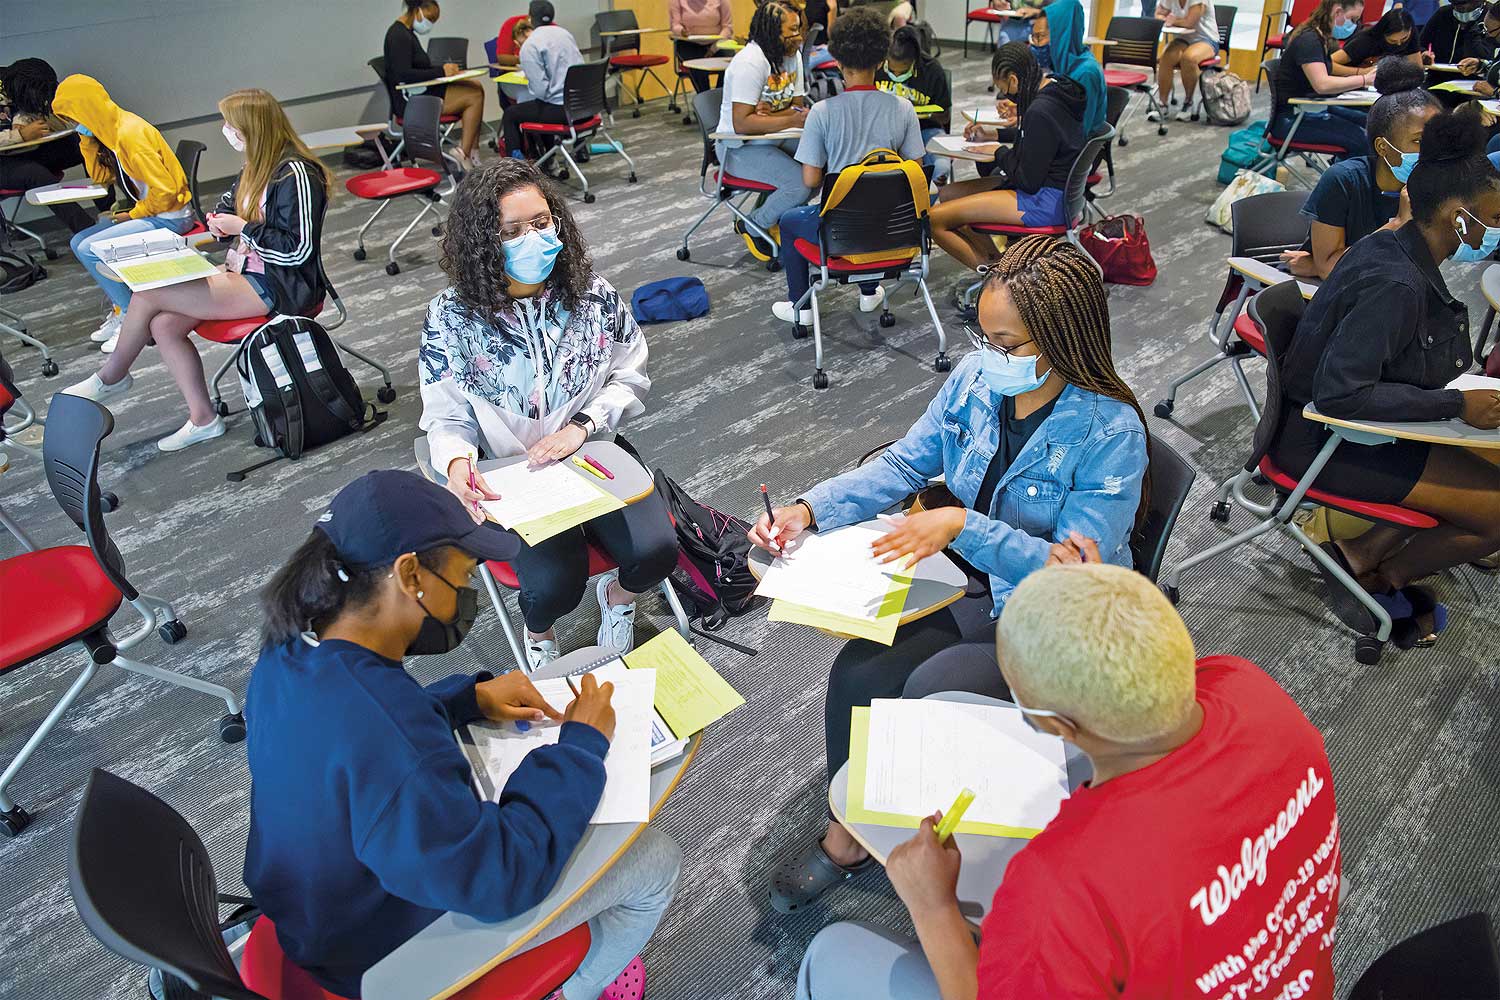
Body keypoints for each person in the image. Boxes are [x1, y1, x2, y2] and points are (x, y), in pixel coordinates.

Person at [753, 237, 1150, 913]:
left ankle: (884, 840)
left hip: (1052, 621)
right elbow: (906, 464)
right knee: (861, 672)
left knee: (930, 686)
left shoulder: (1110, 431)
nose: (988, 354)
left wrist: (966, 527)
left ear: (1061, 339)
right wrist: (809, 508)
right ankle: (852, 826)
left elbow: (1071, 572)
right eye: (983, 334)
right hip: (972, 585)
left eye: (1007, 342)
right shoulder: (975, 380)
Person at [795, 562, 1343, 1000]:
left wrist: (932, 906)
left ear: (1054, 726)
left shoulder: (1062, 884)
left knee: (831, 951)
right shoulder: (1249, 685)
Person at [244, 469, 680, 1000]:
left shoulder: (289, 650)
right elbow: (505, 876)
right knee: (654, 861)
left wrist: (463, 700)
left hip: (318, 909)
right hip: (381, 957)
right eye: (465, 575)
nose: (469, 591)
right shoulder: (391, 740)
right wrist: (581, 745)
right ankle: (579, 990)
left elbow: (355, 741)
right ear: (410, 576)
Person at [419, 158, 671, 670]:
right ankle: (540, 633)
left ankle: (617, 599)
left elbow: (631, 372)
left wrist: (584, 426)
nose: (532, 238)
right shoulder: (450, 317)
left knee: (657, 549)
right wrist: (458, 465)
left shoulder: (592, 294)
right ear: (483, 242)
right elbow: (446, 417)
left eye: (540, 222)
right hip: (513, 471)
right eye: (511, 231)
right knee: (554, 584)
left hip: (591, 449)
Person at [1272, 109, 1500, 649]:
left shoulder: (1396, 246)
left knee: (1483, 464)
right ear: (1459, 218)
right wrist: (1455, 407)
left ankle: (1362, 554)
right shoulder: (1396, 284)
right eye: (1495, 218)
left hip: (1349, 428)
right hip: (1322, 443)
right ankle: (1379, 578)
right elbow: (1342, 393)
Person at [60, 89, 332, 453]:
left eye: (230, 125)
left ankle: (112, 377)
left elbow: (299, 250)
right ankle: (204, 419)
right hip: (246, 272)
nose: (226, 131)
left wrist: (242, 228)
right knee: (163, 324)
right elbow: (227, 205)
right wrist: (219, 222)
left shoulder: (296, 173)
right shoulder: (256, 166)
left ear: (252, 128)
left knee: (149, 291)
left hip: (281, 284)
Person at [770, 8, 925, 325]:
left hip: (839, 233)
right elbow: (916, 173)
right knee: (874, 204)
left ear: (837, 61)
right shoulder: (904, 109)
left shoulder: (822, 113)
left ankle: (801, 308)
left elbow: (810, 178)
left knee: (788, 221)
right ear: (881, 60)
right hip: (894, 229)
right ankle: (870, 293)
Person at [50, 74, 195, 352]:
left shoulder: (130, 134)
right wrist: (87, 141)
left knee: (91, 247)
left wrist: (135, 214)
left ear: (86, 110)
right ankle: (122, 310)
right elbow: (101, 177)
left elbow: (165, 191)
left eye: (73, 118)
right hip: (155, 212)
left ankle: (132, 319)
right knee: (77, 242)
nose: (73, 125)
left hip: (171, 217)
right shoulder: (111, 133)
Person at [930, 44, 1086, 268]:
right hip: (1059, 192)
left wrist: (998, 152)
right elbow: (1040, 138)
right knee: (948, 195)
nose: (1007, 96)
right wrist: (994, 134)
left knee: (935, 219)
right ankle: (996, 263)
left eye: (1003, 88)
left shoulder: (1040, 111)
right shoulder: (1056, 87)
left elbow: (1027, 181)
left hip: (1043, 199)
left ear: (1013, 80)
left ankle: (996, 278)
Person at [1281, 61, 1440, 279]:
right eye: (1419, 141)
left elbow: (1425, 264)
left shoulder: (1436, 184)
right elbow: (1329, 268)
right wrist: (1397, 225)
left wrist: (1316, 265)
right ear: (1383, 147)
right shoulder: (1343, 180)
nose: (1432, 149)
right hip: (1339, 296)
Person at [716, 2, 812, 260]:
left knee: (818, 167)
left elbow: (798, 106)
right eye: (792, 31)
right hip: (737, 146)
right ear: (772, 32)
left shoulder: (793, 55)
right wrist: (788, 119)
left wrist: (775, 117)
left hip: (773, 137)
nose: (799, 37)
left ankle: (775, 216)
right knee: (801, 184)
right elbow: (743, 124)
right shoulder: (751, 62)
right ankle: (752, 223)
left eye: (799, 28)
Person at [383, 0, 488, 171]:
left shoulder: (407, 33)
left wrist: (447, 71)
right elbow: (404, 74)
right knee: (474, 95)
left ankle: (471, 150)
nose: (430, 24)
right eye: (430, 18)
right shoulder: (398, 36)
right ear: (418, 10)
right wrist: (441, 72)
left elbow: (419, 67)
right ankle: (463, 153)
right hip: (410, 102)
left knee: (475, 86)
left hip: (420, 91)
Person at [0, 58, 96, 237]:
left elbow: (25, 106)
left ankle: (113, 211)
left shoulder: (13, 76)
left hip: (24, 150)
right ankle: (88, 232)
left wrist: (23, 120)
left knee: (84, 143)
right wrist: (18, 135)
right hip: (3, 162)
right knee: (34, 174)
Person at [1272, 0, 1377, 160]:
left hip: (1305, 110)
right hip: (1291, 120)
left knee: (1368, 122)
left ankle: (1345, 175)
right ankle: (1344, 180)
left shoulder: (1319, 37)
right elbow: (1322, 84)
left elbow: (1328, 73)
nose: (1355, 25)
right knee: (1361, 140)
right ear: (1338, 12)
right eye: (1353, 19)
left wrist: (1361, 76)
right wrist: (1363, 79)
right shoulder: (1310, 40)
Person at [503, 1, 586, 161]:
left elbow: (541, 92)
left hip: (563, 111)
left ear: (530, 19)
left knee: (511, 114)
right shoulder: (565, 34)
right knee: (538, 107)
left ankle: (516, 170)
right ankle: (548, 158)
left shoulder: (530, 45)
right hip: (584, 107)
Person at [877, 24, 953, 181]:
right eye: (892, 70)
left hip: (925, 129)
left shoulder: (932, 70)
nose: (896, 74)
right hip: (884, 131)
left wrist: (922, 113)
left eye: (903, 70)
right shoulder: (876, 66)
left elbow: (945, 116)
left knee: (941, 168)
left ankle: (924, 204)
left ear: (914, 61)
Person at [1042, 0, 1106, 138]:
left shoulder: (1086, 73)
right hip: (1061, 133)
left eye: (1041, 36)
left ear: (1061, 35)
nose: (1037, 44)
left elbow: (1080, 131)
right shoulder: (1063, 64)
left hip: (1074, 148)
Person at [1150, 0, 1221, 123]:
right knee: (1166, 59)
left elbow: (1189, 22)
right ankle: (1162, 104)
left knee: (1189, 58)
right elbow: (1158, 14)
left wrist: (1172, 20)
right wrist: (1167, 19)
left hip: (1206, 39)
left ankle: (1188, 102)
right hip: (1183, 38)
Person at [671, 0, 735, 93]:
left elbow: (727, 27)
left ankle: (720, 95)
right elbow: (674, 25)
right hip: (688, 44)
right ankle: (705, 97)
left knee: (732, 63)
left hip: (716, 43)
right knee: (699, 68)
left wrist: (714, 48)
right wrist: (682, 31)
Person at [1333, 8, 1423, 69]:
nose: (1399, 44)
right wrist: (1360, 73)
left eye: (1404, 39)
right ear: (1383, 34)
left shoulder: (1410, 34)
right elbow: (1328, 64)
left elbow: (1416, 68)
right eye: (1392, 41)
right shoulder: (1365, 41)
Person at [1420, 0, 1493, 64]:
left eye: (1463, 3)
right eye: (1455, 4)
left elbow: (1490, 57)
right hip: (1439, 75)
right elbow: (1419, 45)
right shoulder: (1443, 14)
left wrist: (1471, 29)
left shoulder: (1493, 17)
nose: (1459, 8)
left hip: (1477, 77)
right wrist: (1424, 53)